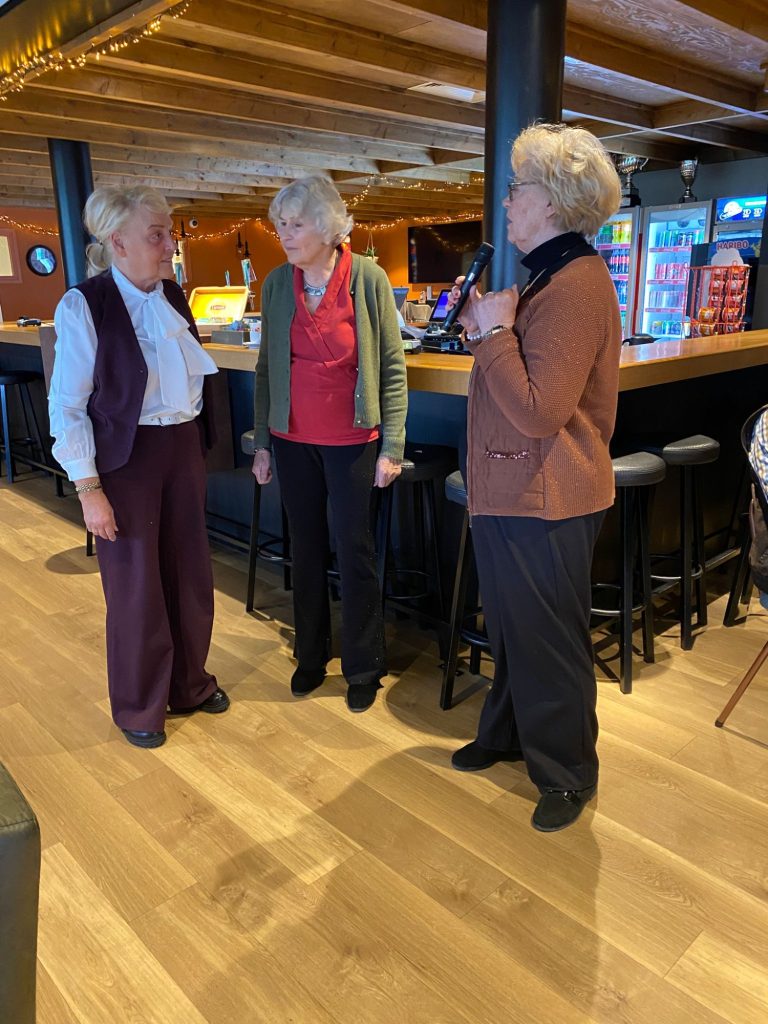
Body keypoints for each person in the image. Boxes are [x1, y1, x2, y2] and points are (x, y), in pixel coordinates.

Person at [448, 123, 622, 832]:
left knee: (547, 638)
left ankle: (568, 771)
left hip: (550, 492)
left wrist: (493, 335)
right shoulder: (548, 278)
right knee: (515, 626)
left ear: (550, 200)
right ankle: (508, 733)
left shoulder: (576, 285)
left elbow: (540, 411)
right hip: (517, 488)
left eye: (516, 188)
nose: (508, 201)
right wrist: (489, 330)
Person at [48, 185, 229, 749]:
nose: (170, 245)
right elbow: (67, 404)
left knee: (190, 574)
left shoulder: (171, 294)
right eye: (157, 235)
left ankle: (190, 683)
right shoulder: (85, 304)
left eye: (168, 233)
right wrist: (88, 488)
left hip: (182, 448)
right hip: (125, 459)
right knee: (135, 585)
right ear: (118, 242)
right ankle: (139, 703)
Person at [252, 175, 407, 713]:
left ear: (326, 226)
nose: (285, 235)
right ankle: (311, 654)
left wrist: (393, 444)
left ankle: (364, 664)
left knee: (355, 549)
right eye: (280, 225)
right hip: (291, 438)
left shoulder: (367, 277)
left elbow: (391, 365)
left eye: (295, 224)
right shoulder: (277, 283)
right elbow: (266, 368)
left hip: (353, 439)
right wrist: (263, 443)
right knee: (305, 547)